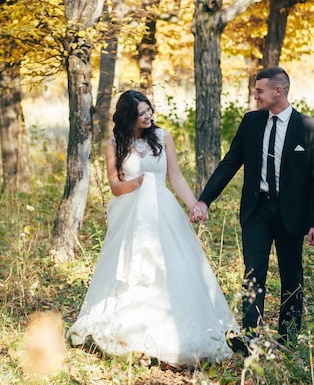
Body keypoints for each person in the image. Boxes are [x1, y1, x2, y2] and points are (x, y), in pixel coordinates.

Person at [67, 90, 239, 368]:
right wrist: (139, 182)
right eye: (141, 113)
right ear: (128, 117)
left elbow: (176, 177)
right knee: (134, 273)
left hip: (164, 211)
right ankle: (134, 337)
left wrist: (196, 205)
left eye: (149, 111)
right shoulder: (114, 144)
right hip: (133, 215)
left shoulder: (163, 137)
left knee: (175, 267)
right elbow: (115, 186)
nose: (148, 116)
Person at [191, 67, 314, 354]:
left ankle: (288, 340)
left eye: (259, 91)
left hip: (292, 214)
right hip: (257, 210)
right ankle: (250, 341)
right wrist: (205, 199)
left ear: (278, 91)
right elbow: (230, 163)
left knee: (292, 275)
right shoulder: (251, 122)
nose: (255, 97)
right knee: (253, 274)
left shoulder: (310, 128)